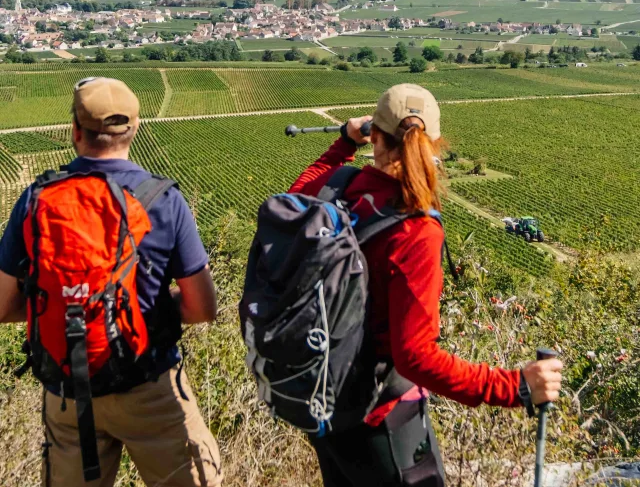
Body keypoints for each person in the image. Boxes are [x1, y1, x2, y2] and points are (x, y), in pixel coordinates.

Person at [289, 83, 563, 487]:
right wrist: (516, 386)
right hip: (384, 422)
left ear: (374, 136)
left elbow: (293, 195)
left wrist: (343, 144)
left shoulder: (339, 188)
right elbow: (415, 357)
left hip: (325, 406)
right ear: (434, 143)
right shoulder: (415, 229)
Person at [0, 76, 222, 487]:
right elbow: (201, 309)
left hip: (67, 391)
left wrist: (72, 310)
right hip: (150, 385)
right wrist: (138, 311)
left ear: (75, 132)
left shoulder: (35, 199)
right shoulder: (164, 200)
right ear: (135, 129)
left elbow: (2, 305)